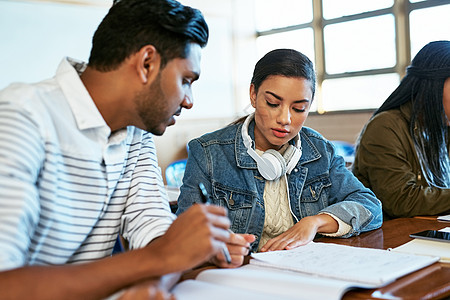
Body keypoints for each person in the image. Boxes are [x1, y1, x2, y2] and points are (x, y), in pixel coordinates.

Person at [0, 0, 252, 299]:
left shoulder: (136, 133)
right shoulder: (22, 116)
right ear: (147, 63)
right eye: (186, 80)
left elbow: (157, 237)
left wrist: (157, 280)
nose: (189, 100)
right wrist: (162, 257)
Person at [176, 49, 382, 253]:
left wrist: (315, 223)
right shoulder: (208, 153)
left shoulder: (320, 151)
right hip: (241, 273)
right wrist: (219, 243)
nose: (285, 119)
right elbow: (184, 230)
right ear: (253, 94)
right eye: (273, 103)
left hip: (305, 270)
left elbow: (370, 206)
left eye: (299, 108)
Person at [352, 40, 450, 220]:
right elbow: (402, 200)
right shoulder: (386, 126)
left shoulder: (442, 128)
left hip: (425, 230)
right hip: (388, 239)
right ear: (433, 85)